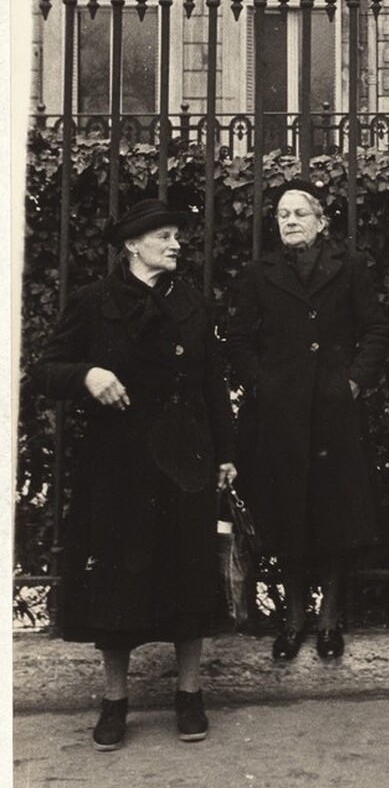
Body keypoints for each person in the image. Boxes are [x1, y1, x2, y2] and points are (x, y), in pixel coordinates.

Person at [31, 199, 237, 751]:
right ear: (132, 245)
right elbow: (43, 371)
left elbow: (212, 384)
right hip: (118, 463)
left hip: (185, 460)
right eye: (164, 236)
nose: (176, 245)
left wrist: (225, 453)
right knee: (118, 578)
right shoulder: (92, 303)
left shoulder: (192, 303)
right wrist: (89, 374)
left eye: (177, 236)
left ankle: (189, 696)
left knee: (190, 574)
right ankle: (115, 701)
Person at [227, 180, 388, 663]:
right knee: (289, 515)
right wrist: (262, 385)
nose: (290, 221)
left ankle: (330, 619)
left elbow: (377, 329)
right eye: (282, 215)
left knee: (336, 516)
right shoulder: (260, 272)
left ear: (321, 221)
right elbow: (238, 339)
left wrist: (354, 383)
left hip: (334, 412)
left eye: (299, 213)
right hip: (281, 417)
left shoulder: (350, 267)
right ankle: (293, 618)